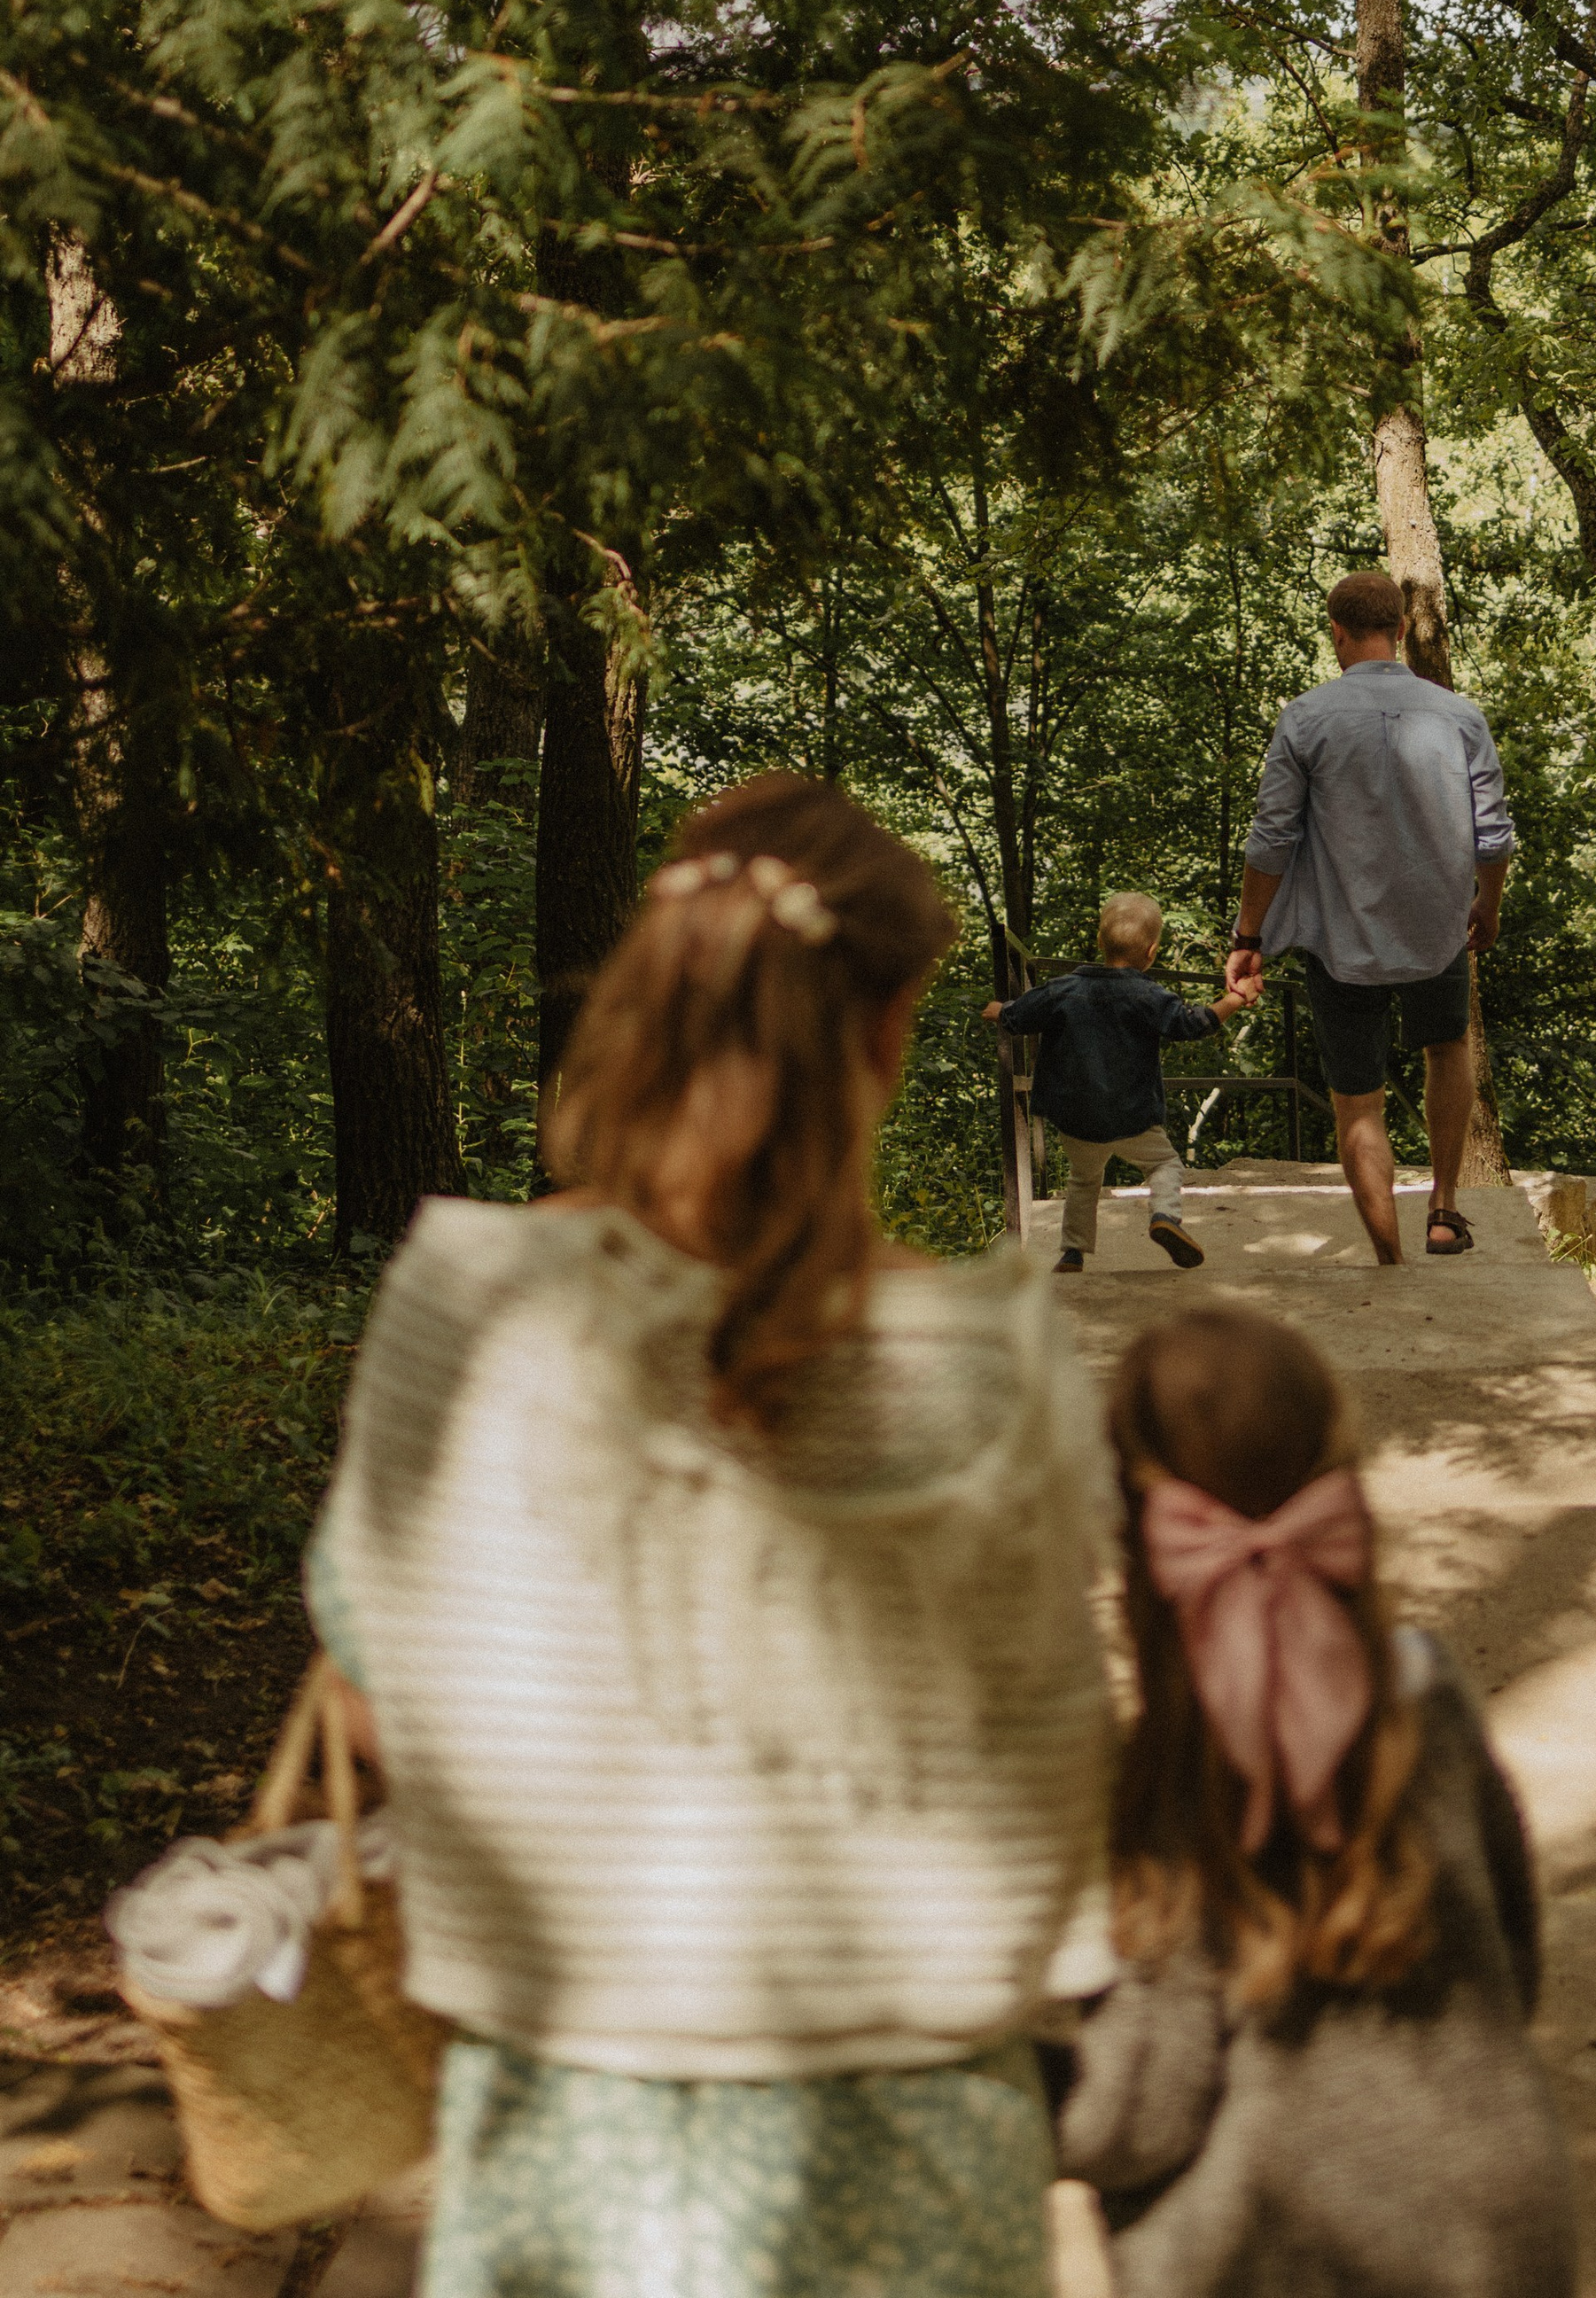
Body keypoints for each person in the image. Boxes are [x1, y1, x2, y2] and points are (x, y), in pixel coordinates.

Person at [302, 775, 1116, 2298]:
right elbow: (1047, 1742)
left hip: (570, 2116)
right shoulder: (997, 1356)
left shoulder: (463, 1308)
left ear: (656, 994)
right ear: (883, 1032)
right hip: (927, 2124)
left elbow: (375, 1699)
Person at [1053, 1304, 1575, 2298]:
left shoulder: (1175, 1778)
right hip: (1501, 2224)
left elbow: (1142, 2116)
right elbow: (1515, 1959)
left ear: (1142, 1543)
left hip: (1275, 2255)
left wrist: (1036, 2081)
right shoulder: (1431, 1697)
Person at [1227, 573, 1511, 1265]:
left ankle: (1390, 1259)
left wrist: (1248, 937)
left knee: (1359, 1103)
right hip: (1437, 928)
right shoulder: (1459, 716)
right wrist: (1487, 906)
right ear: (1403, 629)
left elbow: (1272, 841)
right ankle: (1444, 1211)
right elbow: (1493, 838)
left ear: (1337, 632)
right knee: (1446, 1051)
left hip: (1340, 938)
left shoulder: (1305, 718)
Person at [985, 892, 1257, 1277]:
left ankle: (1072, 1254)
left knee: (1083, 1179)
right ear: (1152, 951)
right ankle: (1165, 1216)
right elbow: (1191, 1024)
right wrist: (1233, 999)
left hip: (1075, 1120)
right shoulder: (1149, 995)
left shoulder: (1063, 989)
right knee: (1164, 1162)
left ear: (1099, 942)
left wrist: (1001, 1011)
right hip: (1132, 1117)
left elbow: (1021, 1015)